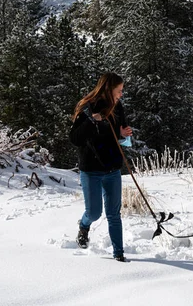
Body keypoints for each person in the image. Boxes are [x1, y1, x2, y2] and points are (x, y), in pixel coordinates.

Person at [69, 72, 133, 262]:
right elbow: (75, 139)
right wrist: (91, 121)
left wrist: (123, 133)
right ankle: (84, 225)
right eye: (119, 90)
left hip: (112, 168)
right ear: (108, 88)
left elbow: (122, 138)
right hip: (91, 169)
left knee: (114, 214)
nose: (121, 94)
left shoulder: (118, 107)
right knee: (94, 212)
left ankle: (119, 254)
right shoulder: (87, 107)